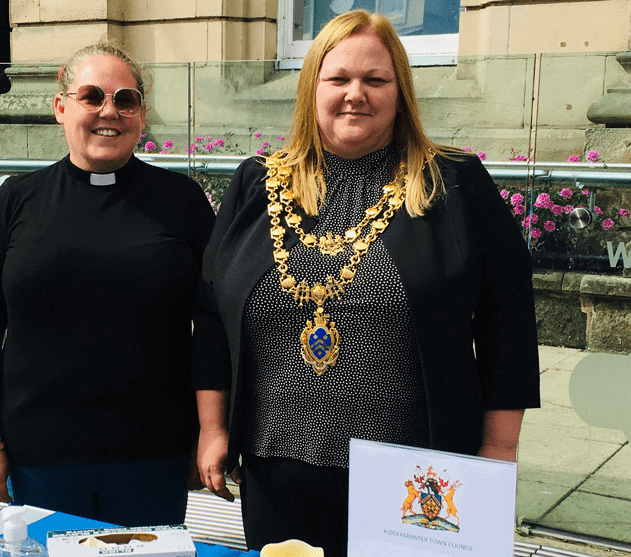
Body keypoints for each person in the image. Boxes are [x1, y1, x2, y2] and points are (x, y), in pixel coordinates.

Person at [197, 10, 540, 557]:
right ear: (312, 89)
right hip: (275, 469)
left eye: (375, 80)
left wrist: (499, 447)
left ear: (399, 92)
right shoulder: (255, 184)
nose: (355, 94)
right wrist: (213, 430)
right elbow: (213, 316)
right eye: (338, 79)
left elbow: (509, 323)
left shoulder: (454, 184)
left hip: (413, 479)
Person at [0, 42, 226, 526]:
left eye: (126, 100)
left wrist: (210, 430)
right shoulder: (18, 200)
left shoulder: (180, 201)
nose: (110, 112)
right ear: (61, 107)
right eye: (92, 96)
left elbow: (210, 326)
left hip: (152, 455)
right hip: (40, 456)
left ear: (141, 115)